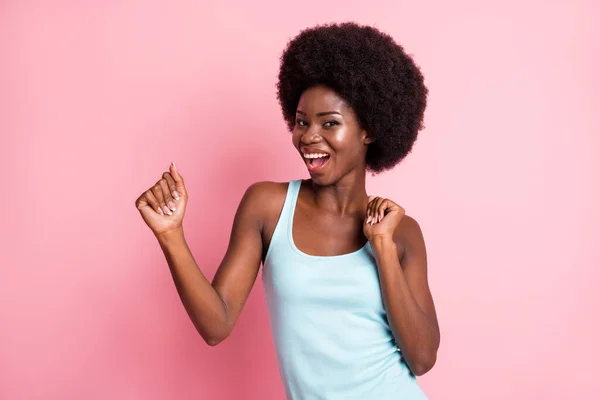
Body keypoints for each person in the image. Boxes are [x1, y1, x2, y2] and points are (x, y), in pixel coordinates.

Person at [135, 22, 439, 399]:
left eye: (330, 123)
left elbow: (423, 358)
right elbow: (217, 325)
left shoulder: (402, 232)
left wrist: (383, 248)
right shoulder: (267, 206)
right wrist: (170, 235)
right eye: (301, 122)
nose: (309, 136)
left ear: (369, 130)